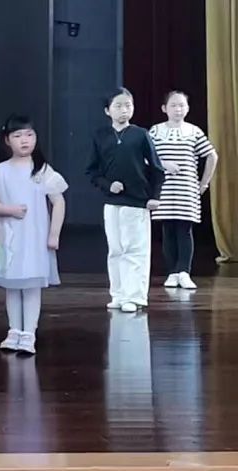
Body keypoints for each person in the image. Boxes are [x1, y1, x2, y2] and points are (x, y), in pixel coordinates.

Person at [0, 114, 67, 354]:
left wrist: (54, 234)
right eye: (17, 136)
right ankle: (14, 330)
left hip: (35, 238)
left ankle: (29, 333)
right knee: (12, 285)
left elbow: (59, 202)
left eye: (29, 135)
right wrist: (10, 210)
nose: (24, 140)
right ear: (7, 140)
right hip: (8, 236)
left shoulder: (42, 170)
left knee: (32, 284)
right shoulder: (1, 171)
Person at [86, 87, 164, 313]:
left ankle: (135, 296)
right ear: (107, 110)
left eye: (128, 105)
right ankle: (118, 294)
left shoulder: (140, 134)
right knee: (116, 250)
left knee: (135, 250)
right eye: (118, 106)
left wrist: (154, 197)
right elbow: (92, 171)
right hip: (112, 203)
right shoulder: (100, 136)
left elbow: (157, 169)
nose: (124, 110)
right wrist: (108, 185)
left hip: (137, 202)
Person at [148, 91, 219, 290]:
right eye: (173, 105)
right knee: (168, 231)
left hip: (187, 190)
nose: (178, 109)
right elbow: (146, 157)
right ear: (164, 109)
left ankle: (184, 272)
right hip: (164, 189)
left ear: (187, 108)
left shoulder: (193, 131)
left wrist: (203, 183)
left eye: (182, 105)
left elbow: (212, 155)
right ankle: (172, 272)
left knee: (185, 230)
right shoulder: (155, 131)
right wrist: (164, 164)